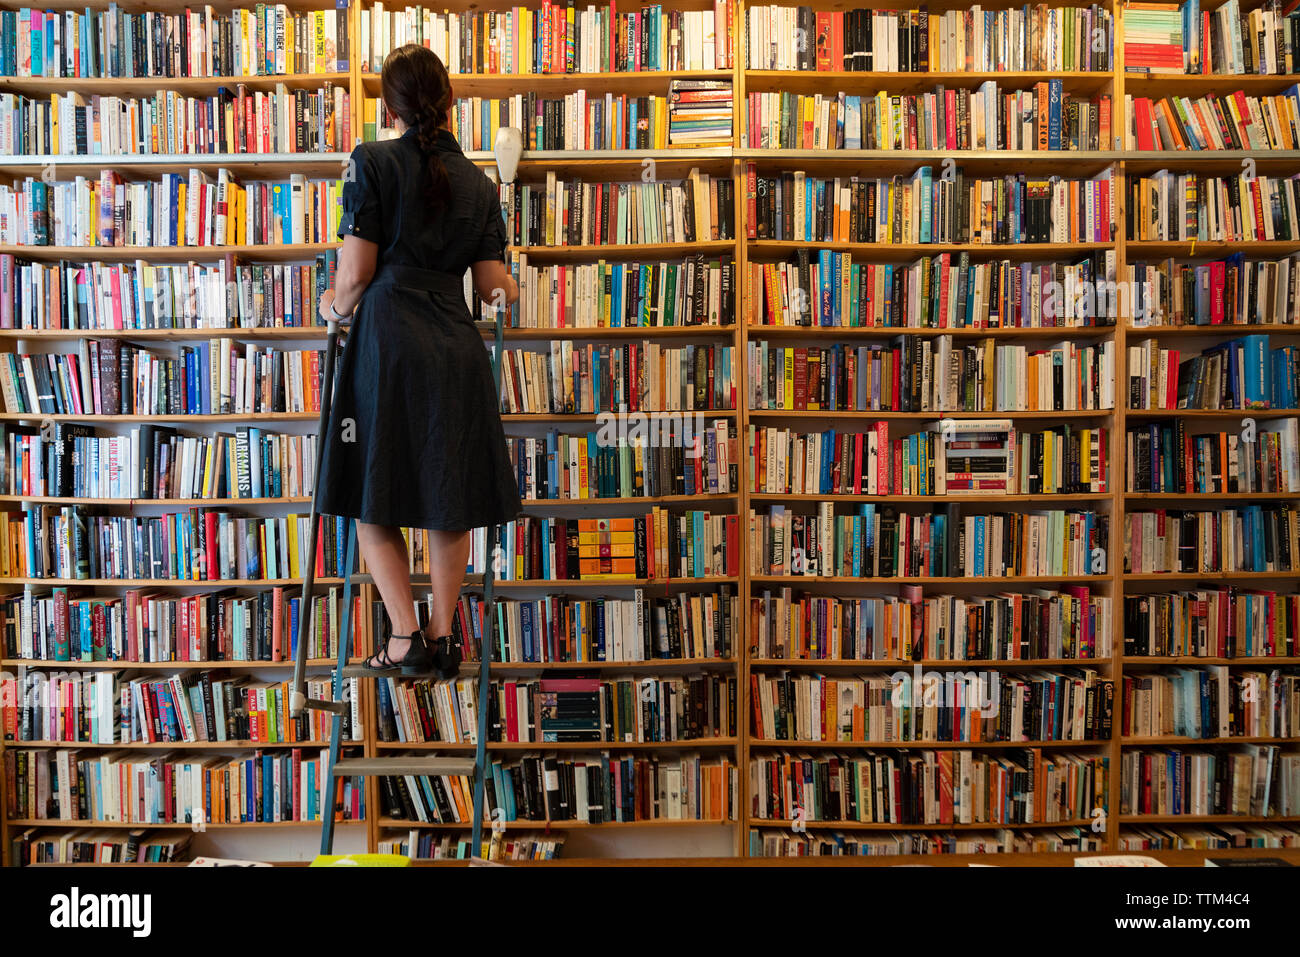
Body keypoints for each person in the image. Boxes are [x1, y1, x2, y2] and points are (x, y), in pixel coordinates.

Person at [315, 43, 522, 679]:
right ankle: (442, 635)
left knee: (373, 494)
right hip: (453, 351)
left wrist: (330, 303)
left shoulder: (371, 161)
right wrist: (507, 285)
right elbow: (492, 285)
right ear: (450, 102)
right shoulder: (481, 184)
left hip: (389, 348)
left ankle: (404, 638)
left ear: (391, 105)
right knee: (445, 495)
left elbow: (356, 273)